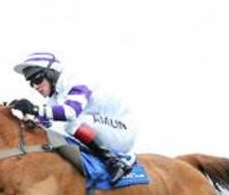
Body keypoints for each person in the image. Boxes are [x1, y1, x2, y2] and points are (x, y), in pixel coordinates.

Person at [9, 52, 136, 184]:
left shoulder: (76, 79)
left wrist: (34, 109)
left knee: (70, 123)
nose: (35, 87)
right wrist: (22, 118)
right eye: (31, 83)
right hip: (103, 126)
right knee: (54, 130)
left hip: (122, 131)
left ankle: (114, 162)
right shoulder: (56, 96)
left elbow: (70, 112)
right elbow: (43, 122)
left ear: (51, 72)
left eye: (37, 79)